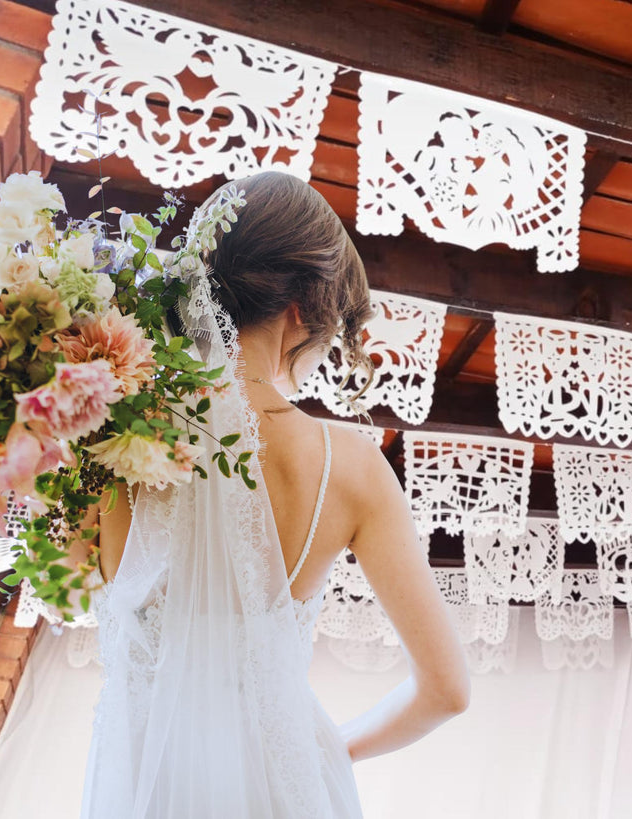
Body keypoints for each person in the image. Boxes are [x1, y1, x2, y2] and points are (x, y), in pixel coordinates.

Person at [81, 171, 470, 818]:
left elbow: (88, 580)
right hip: (287, 785)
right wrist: (325, 750)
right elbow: (447, 690)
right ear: (301, 309)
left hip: (151, 782)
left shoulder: (117, 424)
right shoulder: (350, 466)